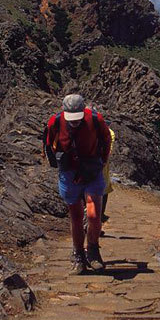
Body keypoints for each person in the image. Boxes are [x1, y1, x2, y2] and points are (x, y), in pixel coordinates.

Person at [44, 94, 112, 275]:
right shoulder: (56, 121)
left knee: (94, 214)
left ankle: (93, 251)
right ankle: (78, 255)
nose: (74, 123)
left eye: (78, 119)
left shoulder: (95, 119)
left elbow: (106, 140)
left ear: (84, 111)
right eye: (71, 120)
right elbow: (50, 143)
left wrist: (101, 161)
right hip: (69, 173)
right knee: (75, 216)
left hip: (91, 171)